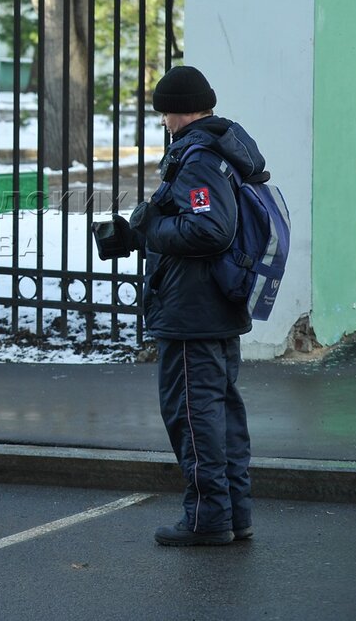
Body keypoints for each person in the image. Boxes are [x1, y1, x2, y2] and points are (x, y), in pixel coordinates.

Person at [94, 65, 268, 546]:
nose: (162, 121)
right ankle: (233, 513)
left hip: (193, 312)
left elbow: (210, 229)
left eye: (164, 112)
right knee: (220, 416)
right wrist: (137, 233)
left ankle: (206, 519)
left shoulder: (198, 158)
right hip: (210, 305)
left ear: (176, 111)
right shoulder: (217, 151)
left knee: (193, 417)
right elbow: (190, 220)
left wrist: (152, 227)